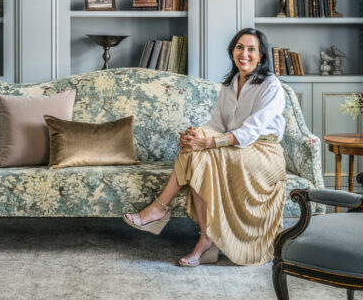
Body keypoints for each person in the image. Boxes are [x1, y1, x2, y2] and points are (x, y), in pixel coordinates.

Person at [123, 28, 287, 267]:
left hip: (264, 152)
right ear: (233, 52)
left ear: (261, 55)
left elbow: (252, 130)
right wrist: (195, 135)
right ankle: (206, 238)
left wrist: (209, 141)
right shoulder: (230, 84)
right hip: (237, 148)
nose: (245, 53)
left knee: (202, 149)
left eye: (251, 49)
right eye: (240, 47)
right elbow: (217, 124)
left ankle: (159, 211)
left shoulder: (270, 85)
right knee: (195, 150)